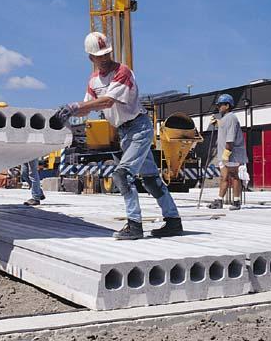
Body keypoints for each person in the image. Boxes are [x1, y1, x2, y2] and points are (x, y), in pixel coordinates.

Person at [55, 32, 183, 240]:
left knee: (122, 175)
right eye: (100, 55)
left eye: (107, 53)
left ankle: (134, 225)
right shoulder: (93, 80)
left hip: (139, 128)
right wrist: (68, 115)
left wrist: (76, 106)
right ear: (91, 58)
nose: (105, 58)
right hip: (124, 133)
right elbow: (87, 108)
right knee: (150, 180)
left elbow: (107, 102)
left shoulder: (123, 72)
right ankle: (173, 221)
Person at [208, 94, 248, 210]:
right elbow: (224, 126)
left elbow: (230, 139)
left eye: (221, 105)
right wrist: (217, 123)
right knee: (224, 177)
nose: (219, 107)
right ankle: (220, 200)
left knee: (233, 176)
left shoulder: (231, 118)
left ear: (227, 105)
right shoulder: (226, 118)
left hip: (231, 154)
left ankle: (235, 202)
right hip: (225, 154)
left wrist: (226, 154)